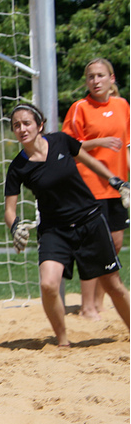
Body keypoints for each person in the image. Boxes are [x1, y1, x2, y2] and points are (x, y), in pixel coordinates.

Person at [4, 102, 130, 347]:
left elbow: (89, 160)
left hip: (89, 220)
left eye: (27, 123)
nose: (22, 128)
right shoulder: (17, 168)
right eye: (16, 125)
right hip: (54, 230)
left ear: (40, 125)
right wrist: (14, 227)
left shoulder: (61, 141)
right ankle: (63, 343)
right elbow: (9, 210)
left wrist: (116, 181)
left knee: (112, 284)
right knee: (48, 285)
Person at [62, 58, 130, 320]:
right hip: (88, 187)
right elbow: (68, 147)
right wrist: (98, 141)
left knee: (114, 244)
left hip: (116, 188)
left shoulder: (122, 106)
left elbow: (125, 147)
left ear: (112, 79)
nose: (96, 81)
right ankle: (87, 305)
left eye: (101, 76)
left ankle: (100, 303)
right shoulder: (80, 108)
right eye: (91, 77)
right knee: (93, 246)